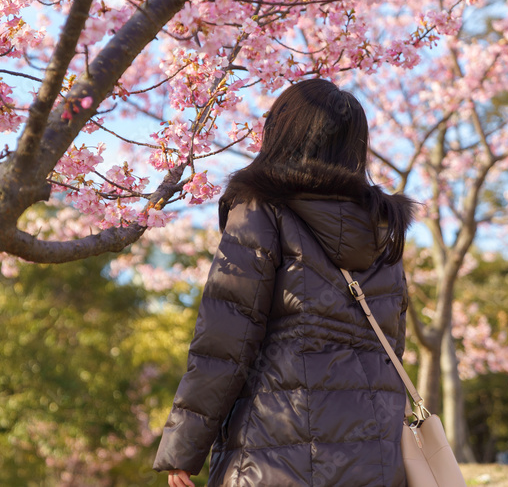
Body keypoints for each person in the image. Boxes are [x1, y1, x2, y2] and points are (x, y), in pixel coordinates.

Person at [153, 78, 417, 487]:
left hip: (273, 453)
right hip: (374, 457)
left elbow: (224, 341)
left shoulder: (261, 208)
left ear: (282, 132)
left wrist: (184, 448)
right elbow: (391, 346)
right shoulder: (382, 228)